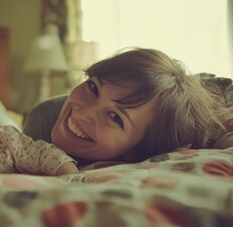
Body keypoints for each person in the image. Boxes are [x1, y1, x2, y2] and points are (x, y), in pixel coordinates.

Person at [23, 47, 232, 166]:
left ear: (135, 153)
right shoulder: (44, 120)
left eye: (115, 118)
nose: (82, 112)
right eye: (93, 88)